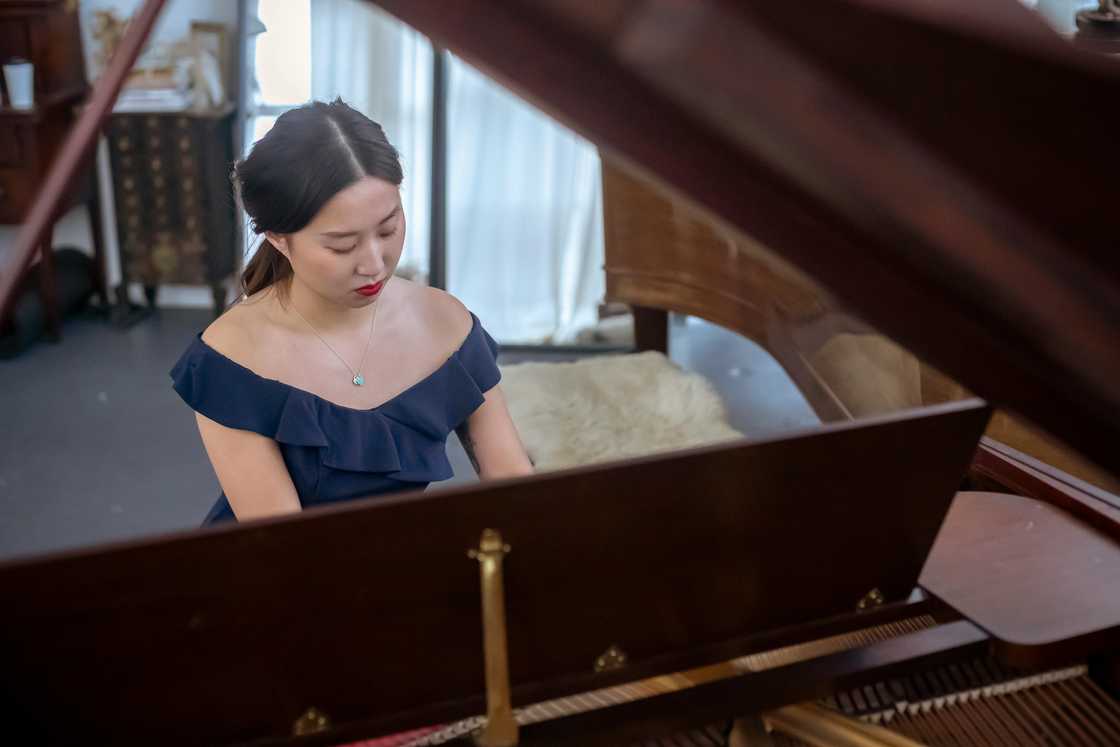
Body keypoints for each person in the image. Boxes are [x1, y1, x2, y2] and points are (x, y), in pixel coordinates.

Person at [170, 99, 533, 524]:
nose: (375, 264)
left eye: (389, 228)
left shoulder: (446, 323)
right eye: (342, 245)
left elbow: (513, 481)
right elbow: (283, 546)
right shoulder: (231, 356)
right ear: (279, 239)